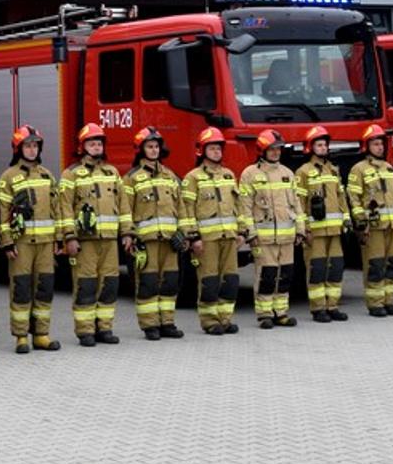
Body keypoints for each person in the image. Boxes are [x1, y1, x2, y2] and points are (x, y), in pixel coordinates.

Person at [57, 123, 132, 346]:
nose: (97, 147)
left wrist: (127, 233)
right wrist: (69, 237)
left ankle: (105, 329)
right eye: (92, 143)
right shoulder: (71, 175)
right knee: (86, 285)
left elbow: (124, 205)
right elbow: (65, 208)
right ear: (82, 147)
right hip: (85, 242)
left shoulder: (113, 173)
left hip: (109, 240)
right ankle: (85, 331)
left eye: (99, 143)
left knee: (109, 284)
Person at [0, 125, 63, 354]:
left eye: (35, 146)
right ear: (18, 148)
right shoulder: (8, 178)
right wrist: (7, 242)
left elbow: (57, 209)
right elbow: (2, 213)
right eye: (27, 146)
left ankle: (41, 334)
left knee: (44, 289)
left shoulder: (46, 175)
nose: (32, 150)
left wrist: (58, 239)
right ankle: (21, 337)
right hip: (21, 245)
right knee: (21, 290)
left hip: (44, 244)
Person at [181, 127, 246, 335]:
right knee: (209, 281)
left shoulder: (228, 175)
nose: (217, 152)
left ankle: (225, 319)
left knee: (230, 280)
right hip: (206, 240)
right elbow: (187, 210)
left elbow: (239, 207)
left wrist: (242, 231)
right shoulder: (192, 178)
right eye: (212, 148)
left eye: (219, 148)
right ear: (202, 150)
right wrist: (193, 237)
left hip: (229, 238)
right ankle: (210, 321)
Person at [240, 129, 305, 329]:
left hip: (286, 236)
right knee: (266, 275)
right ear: (262, 150)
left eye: (278, 149)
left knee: (285, 274)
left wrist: (300, 229)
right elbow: (245, 207)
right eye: (272, 149)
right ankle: (265, 314)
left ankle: (281, 312)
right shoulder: (250, 174)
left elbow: (296, 204)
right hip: (263, 237)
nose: (276, 153)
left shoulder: (287, 173)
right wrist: (250, 233)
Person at [125, 126, 185, 340]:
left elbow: (181, 207)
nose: (153, 150)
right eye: (149, 146)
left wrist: (184, 233)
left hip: (169, 241)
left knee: (169, 282)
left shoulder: (170, 176)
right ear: (141, 150)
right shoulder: (132, 178)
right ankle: (150, 326)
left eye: (156, 146)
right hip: (146, 241)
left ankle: (167, 322)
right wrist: (130, 235)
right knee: (148, 283)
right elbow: (126, 210)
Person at [344, 125, 393, 317]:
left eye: (381, 144)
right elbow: (353, 197)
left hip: (392, 226)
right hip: (374, 228)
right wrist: (361, 222)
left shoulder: (388, 168)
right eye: (375, 144)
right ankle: (375, 303)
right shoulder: (358, 169)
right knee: (375, 265)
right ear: (366, 146)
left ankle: (389, 301)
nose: (380, 148)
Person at [293, 125, 351, 322]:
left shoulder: (333, 170)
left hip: (334, 231)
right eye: (319, 144)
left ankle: (332, 306)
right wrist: (303, 229)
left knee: (335, 268)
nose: (323, 148)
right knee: (316, 269)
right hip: (314, 233)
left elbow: (341, 198)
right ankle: (318, 308)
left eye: (325, 145)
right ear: (310, 147)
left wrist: (346, 220)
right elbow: (298, 203)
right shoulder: (303, 172)